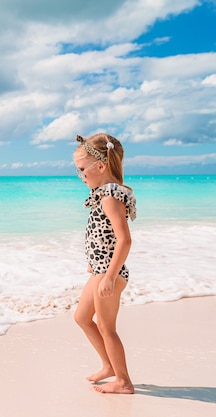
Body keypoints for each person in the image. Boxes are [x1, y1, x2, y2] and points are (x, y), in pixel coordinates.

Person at [72, 133, 136, 394]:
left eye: (81, 169)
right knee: (82, 318)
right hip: (100, 270)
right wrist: (94, 262)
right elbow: (103, 236)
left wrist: (109, 276)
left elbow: (124, 240)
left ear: (100, 166)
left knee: (107, 328)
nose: (80, 176)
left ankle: (123, 381)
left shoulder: (110, 197)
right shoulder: (102, 194)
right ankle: (108, 366)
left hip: (109, 273)